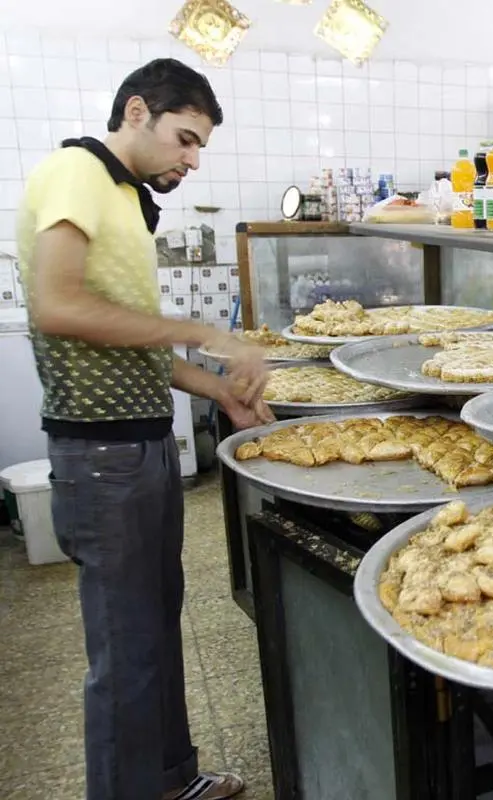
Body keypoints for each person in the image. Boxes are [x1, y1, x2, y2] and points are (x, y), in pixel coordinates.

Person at [16, 58, 271, 800]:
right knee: (127, 647)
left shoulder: (125, 199)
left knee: (154, 627)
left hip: (139, 442)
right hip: (102, 456)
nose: (192, 160)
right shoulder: (77, 170)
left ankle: (169, 780)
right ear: (136, 112)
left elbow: (128, 346)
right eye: (185, 139)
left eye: (200, 147)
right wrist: (203, 331)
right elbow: (58, 307)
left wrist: (216, 389)